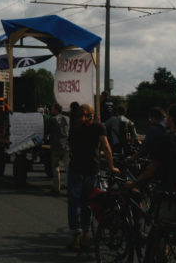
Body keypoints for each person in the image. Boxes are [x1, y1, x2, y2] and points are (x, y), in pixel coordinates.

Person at [127, 104, 176, 233]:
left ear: (171, 119)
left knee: (158, 235)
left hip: (170, 200)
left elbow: (150, 171)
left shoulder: (166, 140)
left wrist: (134, 184)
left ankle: (161, 250)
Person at [66, 104, 118, 252]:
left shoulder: (74, 126)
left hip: (76, 168)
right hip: (92, 169)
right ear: (92, 114)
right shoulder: (99, 127)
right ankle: (86, 237)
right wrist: (111, 166)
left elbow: (70, 146)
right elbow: (106, 147)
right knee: (88, 203)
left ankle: (75, 240)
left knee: (74, 203)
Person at [47, 103, 70, 194]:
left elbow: (47, 131)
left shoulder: (52, 119)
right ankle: (69, 185)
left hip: (56, 145)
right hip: (66, 145)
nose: (51, 111)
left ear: (56, 110)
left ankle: (56, 187)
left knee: (56, 167)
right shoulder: (68, 119)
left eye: (52, 109)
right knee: (68, 167)